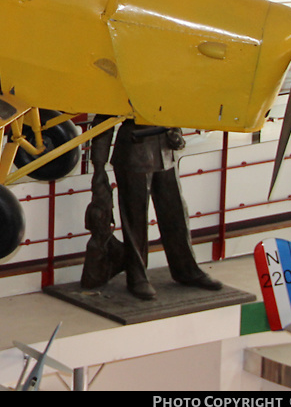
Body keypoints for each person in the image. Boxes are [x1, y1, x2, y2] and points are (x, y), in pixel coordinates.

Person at [84, 118, 222, 300]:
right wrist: (99, 167)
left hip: (165, 150)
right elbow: (104, 121)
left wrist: (176, 132)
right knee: (135, 219)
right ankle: (137, 276)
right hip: (134, 151)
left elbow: (172, 109)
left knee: (176, 214)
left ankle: (186, 269)